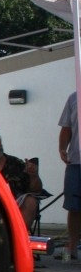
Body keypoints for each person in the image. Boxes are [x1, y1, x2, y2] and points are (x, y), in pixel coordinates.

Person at [0, 127, 42, 231]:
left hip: (14, 210)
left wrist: (34, 176)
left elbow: (36, 190)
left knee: (31, 201)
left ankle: (17, 239)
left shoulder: (16, 164)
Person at [58, 92, 80, 261]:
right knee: (74, 207)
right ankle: (72, 246)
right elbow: (66, 127)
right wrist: (62, 149)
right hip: (76, 162)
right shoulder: (73, 97)